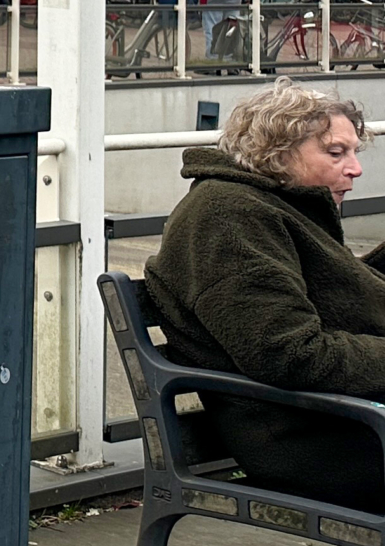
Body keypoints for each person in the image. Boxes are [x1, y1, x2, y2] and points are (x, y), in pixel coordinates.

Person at [146, 79, 385, 510]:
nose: (355, 169)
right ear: (276, 151)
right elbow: (290, 352)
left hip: (344, 421)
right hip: (323, 444)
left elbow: (333, 291)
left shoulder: (268, 204)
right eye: (336, 153)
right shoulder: (227, 217)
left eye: (353, 153)